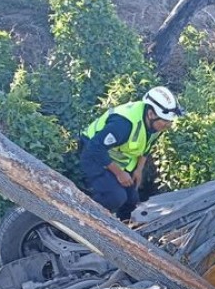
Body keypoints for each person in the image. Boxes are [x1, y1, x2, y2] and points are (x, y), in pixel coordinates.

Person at [78, 86, 183, 221]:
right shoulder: (123, 124)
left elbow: (146, 146)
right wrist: (120, 174)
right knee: (115, 197)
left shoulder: (155, 125)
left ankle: (124, 231)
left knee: (132, 201)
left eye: (170, 121)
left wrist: (138, 170)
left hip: (114, 160)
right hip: (92, 154)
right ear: (151, 114)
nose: (168, 125)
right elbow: (95, 147)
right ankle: (84, 219)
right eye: (165, 121)